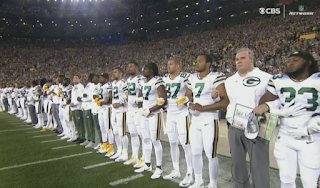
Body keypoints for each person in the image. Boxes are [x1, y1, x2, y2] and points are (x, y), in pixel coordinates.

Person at [254, 51, 320, 188]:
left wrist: (310, 128)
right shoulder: (279, 80)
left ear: (308, 62)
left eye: (295, 60)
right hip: (285, 136)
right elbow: (265, 104)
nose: (290, 63)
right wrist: (268, 106)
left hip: (312, 138)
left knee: (310, 182)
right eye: (288, 60)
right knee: (286, 180)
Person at [225, 48, 272, 188]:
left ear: (251, 59)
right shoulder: (229, 80)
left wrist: (267, 105)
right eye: (237, 59)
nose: (238, 61)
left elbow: (275, 100)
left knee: (259, 166)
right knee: (237, 164)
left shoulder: (266, 77)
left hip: (257, 127)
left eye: (242, 58)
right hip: (234, 126)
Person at [185, 54, 228, 188]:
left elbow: (225, 102)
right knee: (195, 152)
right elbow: (188, 95)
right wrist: (189, 104)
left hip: (210, 119)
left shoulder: (215, 77)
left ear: (208, 63)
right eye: (196, 61)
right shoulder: (192, 78)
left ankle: (213, 184)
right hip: (195, 119)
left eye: (200, 61)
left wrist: (203, 108)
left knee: (211, 154)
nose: (196, 63)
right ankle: (198, 181)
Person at [162, 57, 193, 187]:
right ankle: (176, 170)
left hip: (182, 114)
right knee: (172, 143)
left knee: (186, 144)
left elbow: (192, 91)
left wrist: (186, 98)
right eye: (167, 64)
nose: (168, 66)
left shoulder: (186, 77)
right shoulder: (164, 78)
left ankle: (190, 173)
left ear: (178, 66)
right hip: (170, 113)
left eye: (171, 64)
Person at [134, 62, 167, 180]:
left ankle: (159, 168)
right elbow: (140, 96)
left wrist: (150, 110)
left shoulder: (157, 81)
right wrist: (140, 107)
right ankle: (147, 164)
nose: (143, 70)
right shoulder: (142, 81)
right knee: (146, 139)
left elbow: (163, 100)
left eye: (146, 69)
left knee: (155, 141)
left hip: (154, 114)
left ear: (152, 71)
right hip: (145, 114)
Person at [124, 61, 145, 167]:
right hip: (130, 110)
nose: (129, 68)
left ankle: (145, 158)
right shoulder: (128, 80)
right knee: (132, 134)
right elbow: (126, 91)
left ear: (137, 68)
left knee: (142, 134)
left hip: (137, 110)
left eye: (131, 66)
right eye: (128, 66)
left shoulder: (141, 79)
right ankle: (135, 156)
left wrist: (138, 101)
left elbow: (144, 91)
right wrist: (127, 97)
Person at [110, 67, 129, 162]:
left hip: (122, 109)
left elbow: (127, 94)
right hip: (114, 110)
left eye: (116, 72)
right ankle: (119, 150)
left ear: (121, 74)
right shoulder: (113, 83)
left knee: (122, 132)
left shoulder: (123, 83)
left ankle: (125, 153)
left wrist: (120, 103)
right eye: (113, 72)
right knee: (115, 131)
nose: (114, 74)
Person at [96, 73, 114, 156]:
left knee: (108, 128)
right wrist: (99, 100)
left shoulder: (108, 85)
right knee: (102, 128)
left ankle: (111, 147)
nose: (100, 79)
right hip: (101, 109)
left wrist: (102, 102)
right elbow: (101, 98)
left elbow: (109, 99)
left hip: (107, 108)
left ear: (106, 79)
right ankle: (104, 145)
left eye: (101, 77)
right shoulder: (100, 86)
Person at [70, 75, 85, 143]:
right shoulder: (73, 87)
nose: (75, 79)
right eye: (74, 78)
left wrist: (75, 103)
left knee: (80, 123)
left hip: (78, 107)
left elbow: (80, 97)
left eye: (76, 78)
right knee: (76, 123)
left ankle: (82, 136)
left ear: (79, 79)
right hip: (74, 108)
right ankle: (79, 135)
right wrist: (71, 103)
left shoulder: (80, 86)